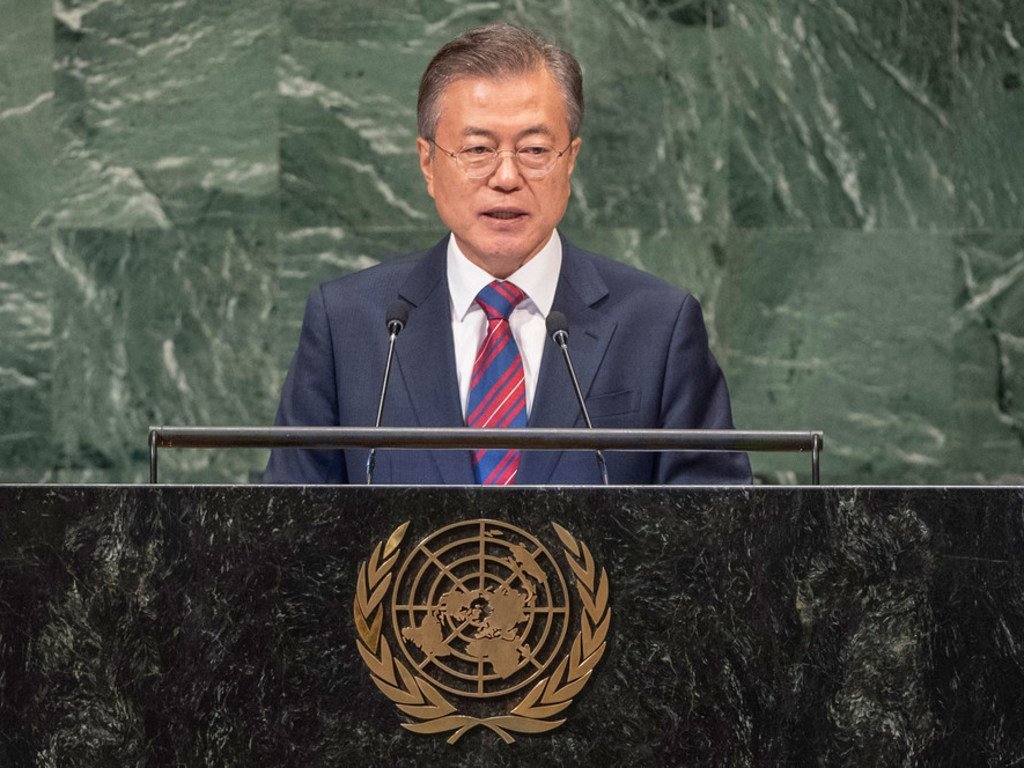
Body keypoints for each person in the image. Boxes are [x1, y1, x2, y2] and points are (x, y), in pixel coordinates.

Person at [264, 23, 751, 485]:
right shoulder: (351, 323)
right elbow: (288, 536)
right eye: (477, 149)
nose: (506, 177)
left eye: (535, 150)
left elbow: (718, 538)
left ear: (571, 161)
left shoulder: (658, 326)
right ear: (428, 163)